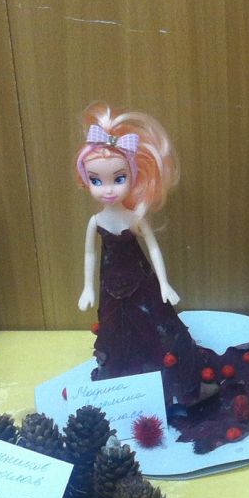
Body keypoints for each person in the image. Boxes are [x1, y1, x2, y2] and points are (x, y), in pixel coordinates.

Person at [74, 102, 204, 400]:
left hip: (142, 282)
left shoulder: (134, 219)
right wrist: (87, 288)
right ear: (86, 180)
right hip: (110, 286)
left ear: (133, 177)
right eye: (96, 180)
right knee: (118, 330)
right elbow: (90, 254)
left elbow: (153, 249)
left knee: (153, 324)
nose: (108, 189)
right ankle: (126, 387)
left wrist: (165, 283)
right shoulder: (96, 221)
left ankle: (164, 379)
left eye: (118, 179)